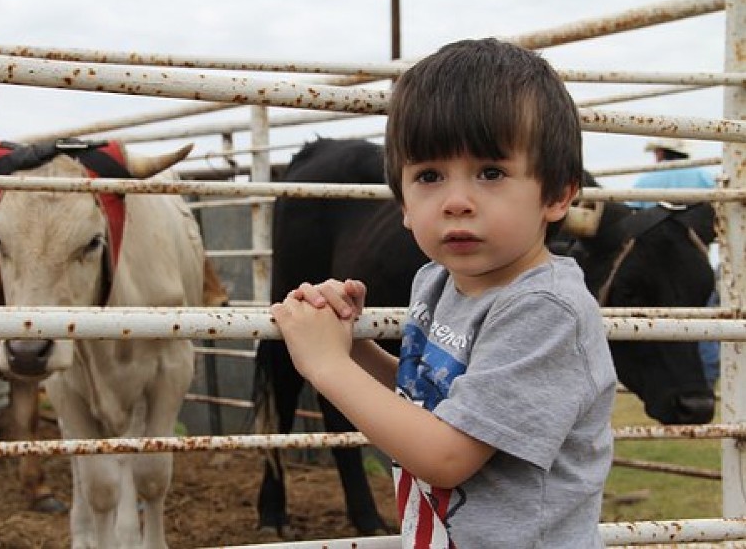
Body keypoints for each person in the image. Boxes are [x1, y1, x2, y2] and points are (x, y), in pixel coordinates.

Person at [271, 38, 616, 548]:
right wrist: (355, 347)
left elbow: (446, 456)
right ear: (404, 204)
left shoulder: (545, 309)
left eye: (491, 172)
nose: (456, 201)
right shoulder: (435, 280)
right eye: (429, 176)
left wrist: (328, 366)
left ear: (558, 193)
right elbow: (429, 397)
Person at [632, 138, 720, 387]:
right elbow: (720, 213)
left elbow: (631, 222)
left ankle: (662, 380)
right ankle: (706, 382)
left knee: (653, 324)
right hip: (694, 262)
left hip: (653, 269)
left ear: (660, 153)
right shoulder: (703, 177)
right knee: (703, 322)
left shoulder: (644, 182)